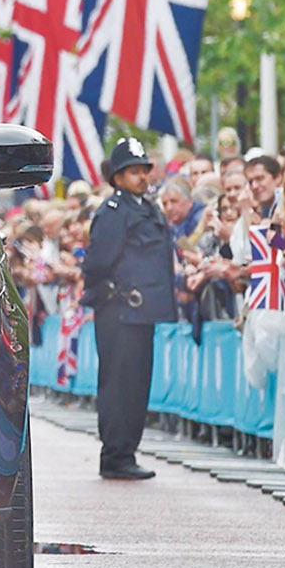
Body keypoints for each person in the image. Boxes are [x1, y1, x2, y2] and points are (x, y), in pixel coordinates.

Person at [82, 137, 175, 480]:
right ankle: (115, 455)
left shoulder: (148, 208)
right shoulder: (114, 212)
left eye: (143, 170)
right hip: (119, 310)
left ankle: (127, 451)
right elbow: (98, 261)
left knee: (137, 385)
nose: (141, 177)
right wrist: (113, 292)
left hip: (141, 312)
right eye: (132, 171)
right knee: (119, 385)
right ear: (117, 177)